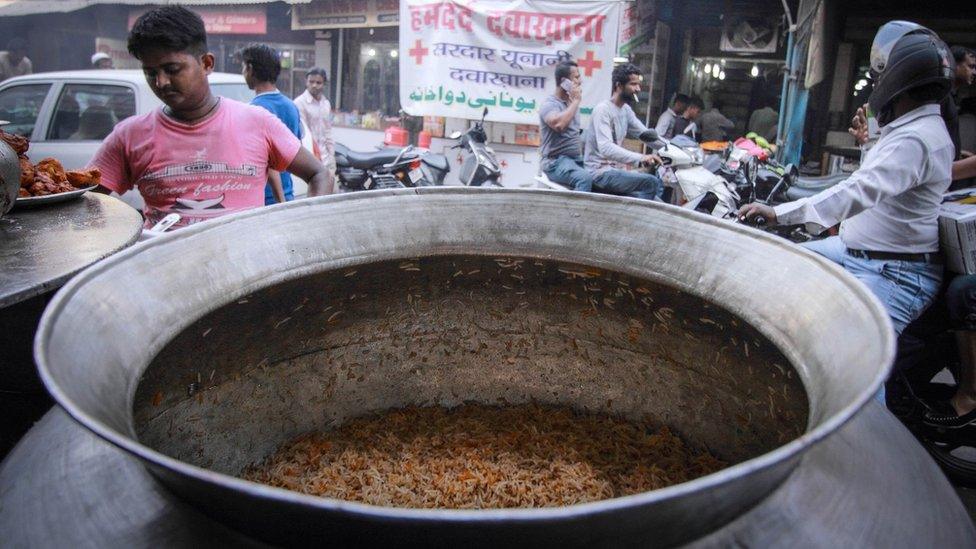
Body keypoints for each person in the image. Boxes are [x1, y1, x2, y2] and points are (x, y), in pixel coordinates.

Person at [739, 28, 955, 355]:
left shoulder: (915, 139)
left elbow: (859, 189)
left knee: (851, 369)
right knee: (780, 263)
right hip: (853, 250)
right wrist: (869, 144)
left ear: (898, 83)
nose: (876, 86)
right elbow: (881, 181)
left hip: (892, 271)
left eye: (880, 78)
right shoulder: (908, 131)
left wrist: (778, 213)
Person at [89, 6, 331, 231]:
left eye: (172, 69)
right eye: (151, 73)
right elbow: (85, 204)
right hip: (166, 272)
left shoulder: (257, 121)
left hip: (249, 272)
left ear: (206, 63)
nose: (161, 82)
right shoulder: (128, 136)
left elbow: (320, 174)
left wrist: (304, 231)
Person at [583, 63, 663, 201]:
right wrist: (641, 157)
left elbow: (644, 134)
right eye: (633, 84)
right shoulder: (603, 110)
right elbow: (606, 148)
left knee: (660, 202)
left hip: (616, 171)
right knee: (651, 182)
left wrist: (670, 148)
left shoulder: (625, 110)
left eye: (638, 84)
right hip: (600, 172)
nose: (638, 89)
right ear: (619, 86)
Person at [241, 44, 302, 205]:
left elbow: (269, 164)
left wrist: (280, 203)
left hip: (265, 200)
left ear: (250, 69)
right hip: (287, 195)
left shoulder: (253, 110)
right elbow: (295, 153)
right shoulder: (291, 107)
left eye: (243, 67)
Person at [538, 60, 591, 191]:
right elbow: (559, 124)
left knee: (601, 181)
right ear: (564, 82)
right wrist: (576, 101)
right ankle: (577, 212)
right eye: (576, 77)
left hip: (575, 161)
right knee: (584, 178)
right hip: (555, 162)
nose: (580, 81)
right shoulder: (549, 104)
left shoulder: (571, 104)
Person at [293, 67, 336, 189]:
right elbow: (302, 134)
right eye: (311, 82)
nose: (314, 85)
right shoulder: (299, 103)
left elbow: (328, 131)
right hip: (310, 159)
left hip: (326, 158)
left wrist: (332, 157)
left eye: (318, 83)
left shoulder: (325, 103)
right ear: (306, 82)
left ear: (324, 84)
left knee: (332, 196)